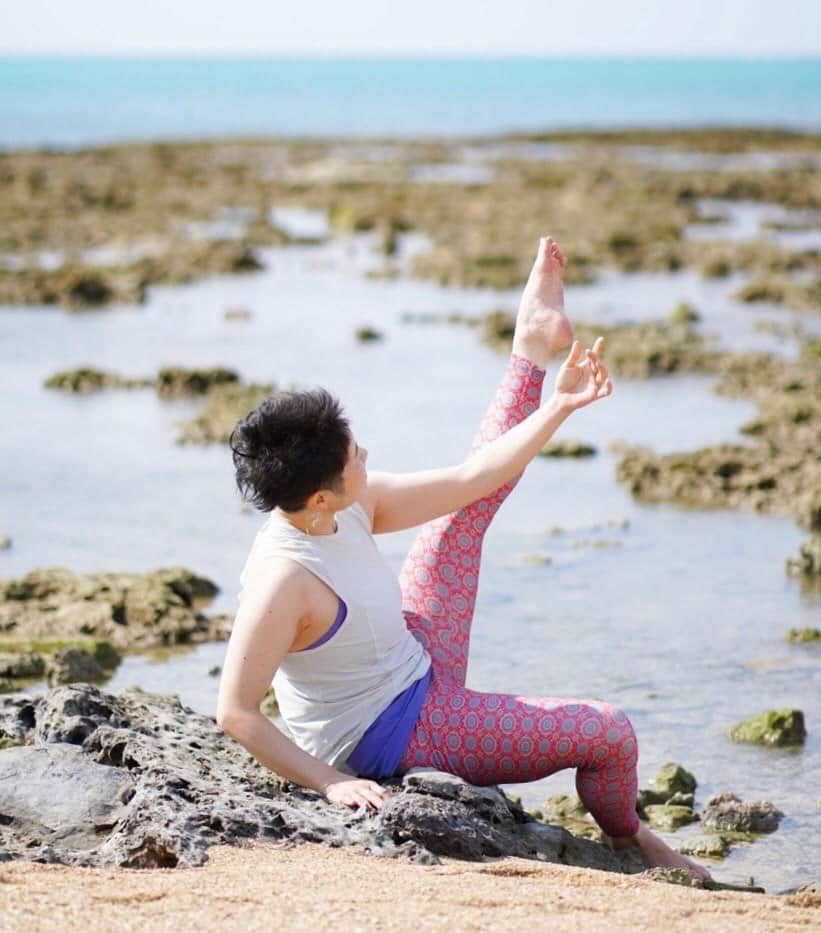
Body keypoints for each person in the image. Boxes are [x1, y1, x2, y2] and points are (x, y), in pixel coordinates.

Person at [218, 237, 711, 881]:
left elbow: (475, 477)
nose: (364, 455)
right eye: (353, 456)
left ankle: (530, 342)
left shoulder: (346, 504)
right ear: (317, 495)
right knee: (610, 733)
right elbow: (235, 712)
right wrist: (330, 783)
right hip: (396, 731)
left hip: (413, 656)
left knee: (463, 513)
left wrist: (558, 402)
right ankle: (630, 840)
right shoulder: (284, 581)